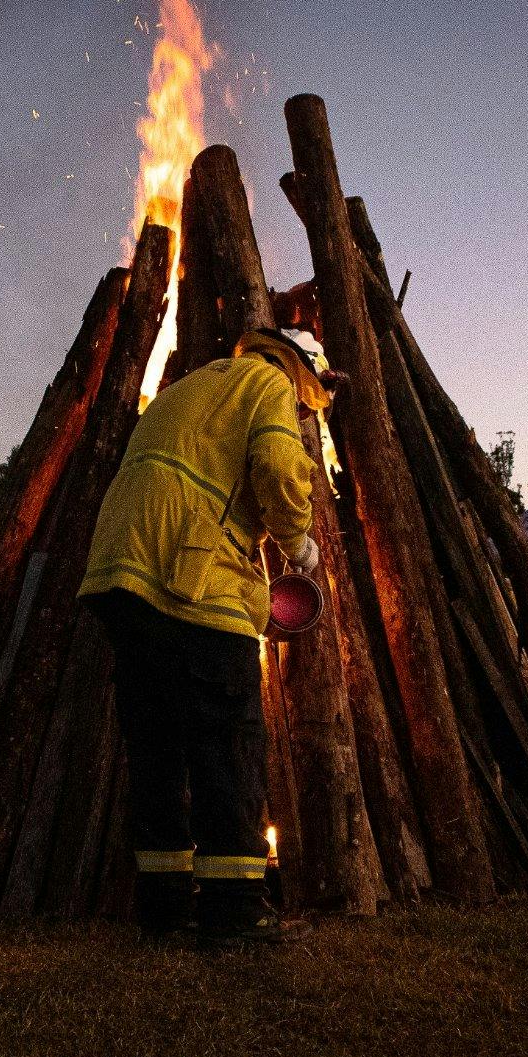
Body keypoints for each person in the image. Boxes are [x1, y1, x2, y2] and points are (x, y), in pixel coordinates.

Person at [77, 325, 328, 946]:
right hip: (193, 581)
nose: (304, 409)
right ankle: (235, 911)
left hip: (122, 576)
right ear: (301, 371)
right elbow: (275, 464)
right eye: (310, 400)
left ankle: (163, 907)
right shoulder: (268, 381)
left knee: (157, 749)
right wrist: (297, 543)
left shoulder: (190, 387)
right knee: (228, 749)